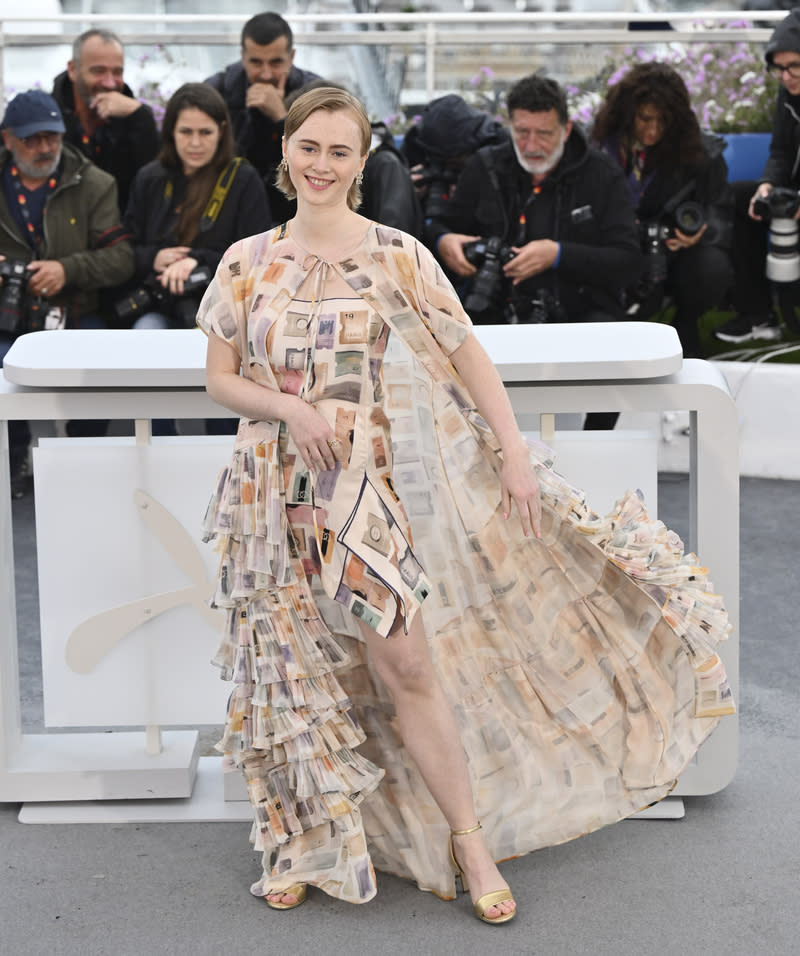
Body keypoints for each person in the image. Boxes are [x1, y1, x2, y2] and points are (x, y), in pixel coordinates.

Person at [196, 87, 734, 920]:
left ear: (363, 162)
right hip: (270, 490)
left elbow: (466, 354)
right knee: (291, 671)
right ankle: (300, 838)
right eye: (310, 147)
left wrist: (515, 457)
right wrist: (293, 409)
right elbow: (222, 379)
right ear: (287, 152)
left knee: (405, 664)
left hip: (360, 491)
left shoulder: (396, 255)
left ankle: (468, 838)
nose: (322, 165)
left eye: (341, 151)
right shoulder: (244, 262)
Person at [427, 74, 641, 430]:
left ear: (567, 128)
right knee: (443, 340)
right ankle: (473, 445)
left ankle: (596, 445)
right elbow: (437, 227)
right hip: (495, 307)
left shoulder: (600, 173)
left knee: (613, 347)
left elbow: (629, 261)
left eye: (544, 133)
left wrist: (559, 255)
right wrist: (445, 242)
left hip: (580, 310)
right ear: (508, 125)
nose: (531, 144)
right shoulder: (486, 166)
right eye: (521, 132)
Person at [0, 90, 134, 495]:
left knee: (94, 370)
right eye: (32, 139)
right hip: (8, 316)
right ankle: (12, 457)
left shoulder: (93, 183)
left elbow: (122, 258)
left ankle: (83, 457)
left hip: (73, 312)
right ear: (7, 139)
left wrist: (67, 269)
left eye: (52, 137)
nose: (45, 148)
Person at [592, 62, 735, 358]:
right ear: (627, 111)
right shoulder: (596, 147)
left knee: (712, 267)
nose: (653, 130)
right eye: (644, 119)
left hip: (672, 257)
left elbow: (722, 211)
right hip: (612, 251)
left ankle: (686, 322)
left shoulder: (699, 152)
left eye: (663, 121)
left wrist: (701, 231)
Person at [121, 83, 269, 331]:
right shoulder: (150, 178)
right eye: (186, 132)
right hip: (159, 309)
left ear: (222, 131)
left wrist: (198, 262)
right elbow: (125, 250)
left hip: (226, 312)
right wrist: (153, 258)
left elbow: (258, 256)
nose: (195, 143)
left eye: (205, 132)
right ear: (171, 132)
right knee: (146, 333)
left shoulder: (243, 179)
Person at [714, 8, 800, 344]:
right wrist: (766, 186)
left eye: (794, 65)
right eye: (778, 68)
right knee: (739, 198)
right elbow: (780, 152)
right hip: (792, 190)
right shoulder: (788, 93)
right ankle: (757, 315)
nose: (786, 76)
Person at [205, 12, 322, 224]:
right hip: (230, 210)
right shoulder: (217, 92)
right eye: (256, 63)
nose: (266, 74)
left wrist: (282, 119)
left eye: (276, 63)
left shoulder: (315, 94)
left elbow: (322, 160)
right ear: (243, 57)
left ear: (292, 58)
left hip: (298, 210)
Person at [51, 28, 160, 215]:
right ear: (72, 70)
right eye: (99, 71)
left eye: (117, 72)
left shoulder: (135, 119)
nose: (110, 83)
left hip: (118, 235)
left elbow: (155, 186)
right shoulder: (48, 117)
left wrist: (141, 117)